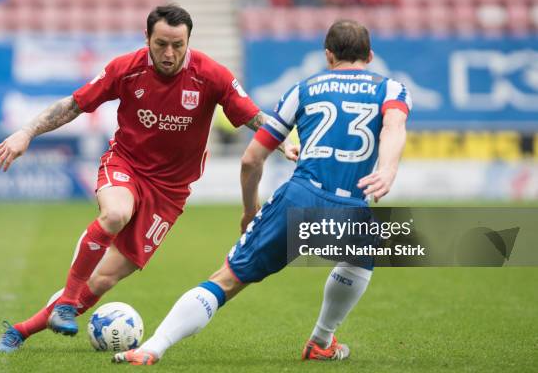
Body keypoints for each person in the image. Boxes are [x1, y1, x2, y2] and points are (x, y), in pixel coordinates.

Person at [0, 4, 297, 352]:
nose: (169, 54)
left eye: (178, 45)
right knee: (115, 214)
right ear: (147, 39)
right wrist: (27, 132)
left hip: (169, 193)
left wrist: (284, 141)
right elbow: (75, 104)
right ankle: (66, 303)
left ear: (189, 41)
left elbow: (253, 116)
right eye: (161, 44)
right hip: (126, 164)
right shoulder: (125, 69)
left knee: (105, 278)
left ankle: (20, 331)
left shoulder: (212, 75)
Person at [112, 19, 411, 365]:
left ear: (327, 55)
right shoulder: (391, 89)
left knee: (226, 281)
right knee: (361, 257)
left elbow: (251, 159)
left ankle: (152, 348)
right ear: (370, 56)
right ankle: (321, 340)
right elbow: (394, 125)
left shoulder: (303, 90)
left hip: (300, 197)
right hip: (352, 203)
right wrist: (387, 169)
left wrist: (249, 209)